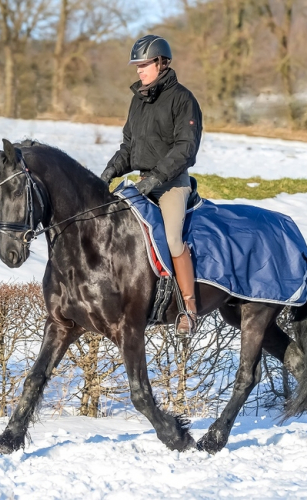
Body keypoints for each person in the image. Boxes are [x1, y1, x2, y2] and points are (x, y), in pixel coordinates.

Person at [100, 34, 203, 334]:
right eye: (137, 66)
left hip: (172, 184)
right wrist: (109, 172)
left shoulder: (183, 100)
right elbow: (128, 148)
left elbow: (186, 148)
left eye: (144, 64)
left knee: (172, 239)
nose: (139, 71)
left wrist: (157, 177)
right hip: (143, 181)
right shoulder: (137, 100)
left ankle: (188, 308)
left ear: (161, 63)